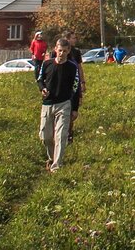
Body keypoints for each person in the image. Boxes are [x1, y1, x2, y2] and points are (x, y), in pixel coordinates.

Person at [37, 37, 79, 172]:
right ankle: (51, 157)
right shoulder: (47, 64)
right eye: (60, 50)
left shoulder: (72, 67)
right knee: (45, 136)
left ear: (68, 51)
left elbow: (75, 87)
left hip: (64, 104)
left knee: (60, 136)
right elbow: (40, 80)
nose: (62, 53)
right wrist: (42, 88)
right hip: (47, 104)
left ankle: (56, 166)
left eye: (65, 51)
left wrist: (75, 108)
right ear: (55, 49)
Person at [65, 32, 85, 142]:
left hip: (75, 83)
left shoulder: (76, 52)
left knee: (73, 112)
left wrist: (83, 82)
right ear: (67, 39)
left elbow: (79, 67)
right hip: (63, 85)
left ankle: (69, 132)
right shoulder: (57, 51)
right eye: (73, 38)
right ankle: (64, 134)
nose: (75, 40)